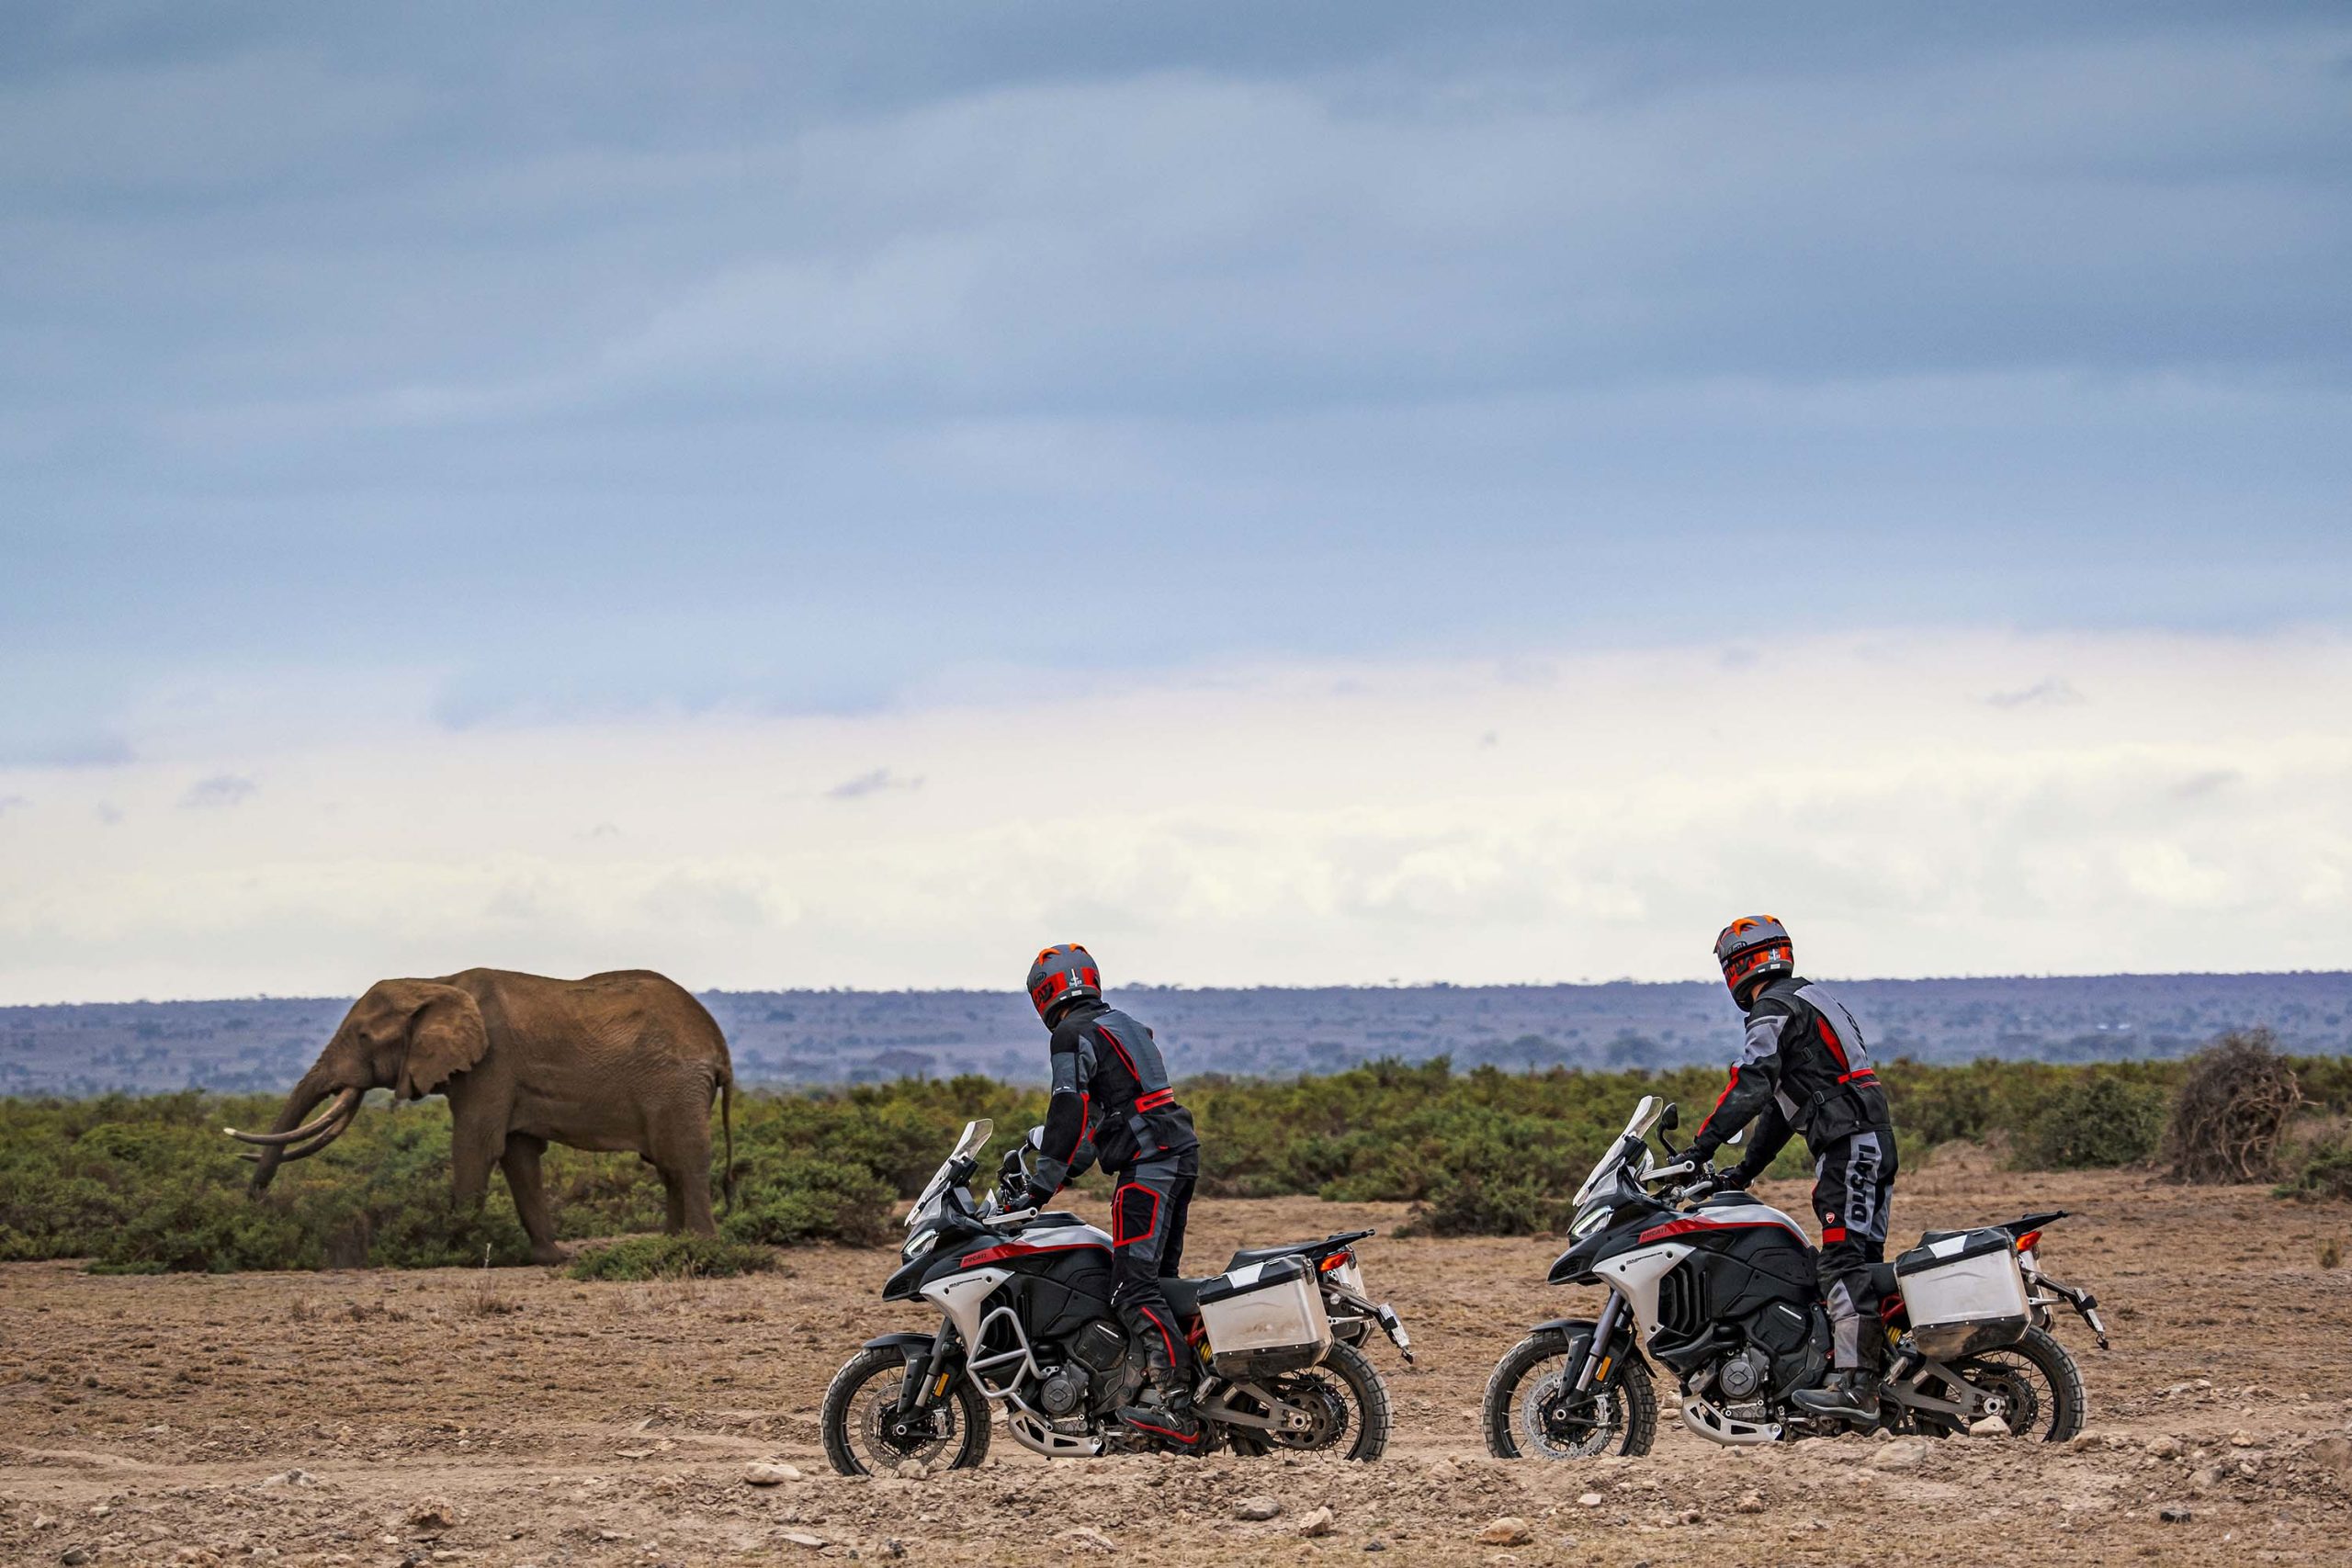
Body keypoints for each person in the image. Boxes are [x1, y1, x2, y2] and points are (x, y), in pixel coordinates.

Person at [1687, 916, 1898, 1424]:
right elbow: (1783, 1109)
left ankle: (1858, 1388)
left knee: (1842, 1262)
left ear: (1738, 965)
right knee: (1862, 1261)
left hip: (1849, 1146)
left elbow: (1753, 1081)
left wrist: (1700, 1148)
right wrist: (1743, 1171)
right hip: (1866, 1141)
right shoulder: (1810, 997)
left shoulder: (1773, 1008)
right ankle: (1879, 1371)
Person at [1017, 943, 1204, 1449]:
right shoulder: (1124, 1024)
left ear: (1044, 993)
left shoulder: (1070, 1034)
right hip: (1176, 1154)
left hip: (1149, 1166)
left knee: (1131, 1289)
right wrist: (1062, 1174)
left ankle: (1177, 1406)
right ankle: (1164, 1392)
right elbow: (1099, 1118)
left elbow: (1068, 1110)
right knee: (1159, 1283)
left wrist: (1040, 1187)